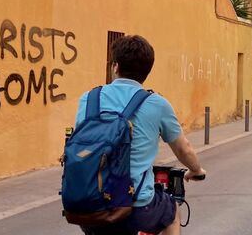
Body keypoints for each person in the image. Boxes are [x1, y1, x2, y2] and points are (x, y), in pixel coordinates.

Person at [75, 35, 206, 235]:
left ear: (115, 66)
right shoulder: (157, 104)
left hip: (89, 206)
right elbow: (183, 148)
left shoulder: (88, 98)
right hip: (136, 208)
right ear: (146, 72)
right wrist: (196, 170)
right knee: (172, 213)